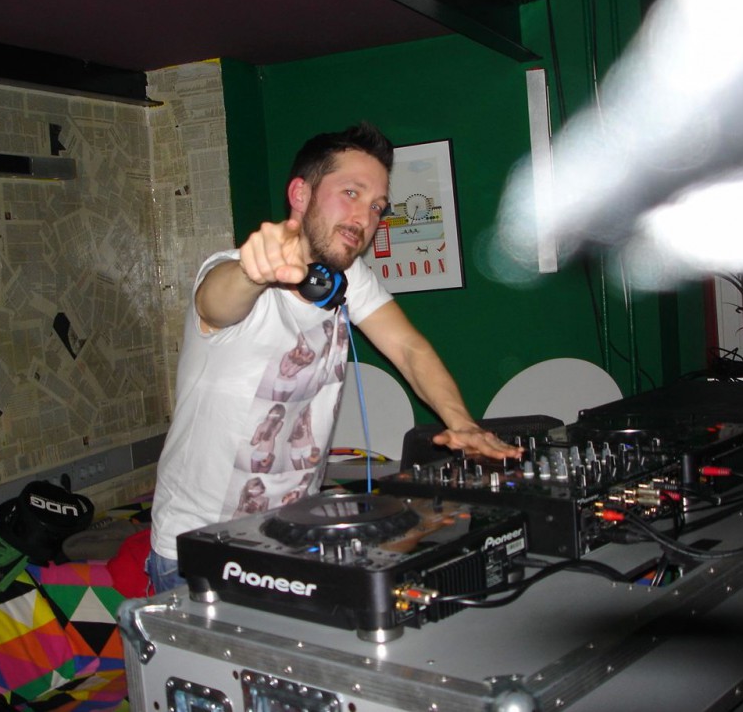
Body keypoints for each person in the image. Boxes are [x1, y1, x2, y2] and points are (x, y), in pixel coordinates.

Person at [149, 121, 521, 593]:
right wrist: (251, 271)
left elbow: (410, 349)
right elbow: (216, 302)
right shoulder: (235, 273)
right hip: (198, 548)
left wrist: (461, 423)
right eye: (350, 193)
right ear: (300, 194)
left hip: (290, 537)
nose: (365, 218)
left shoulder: (348, 280)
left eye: (377, 206)